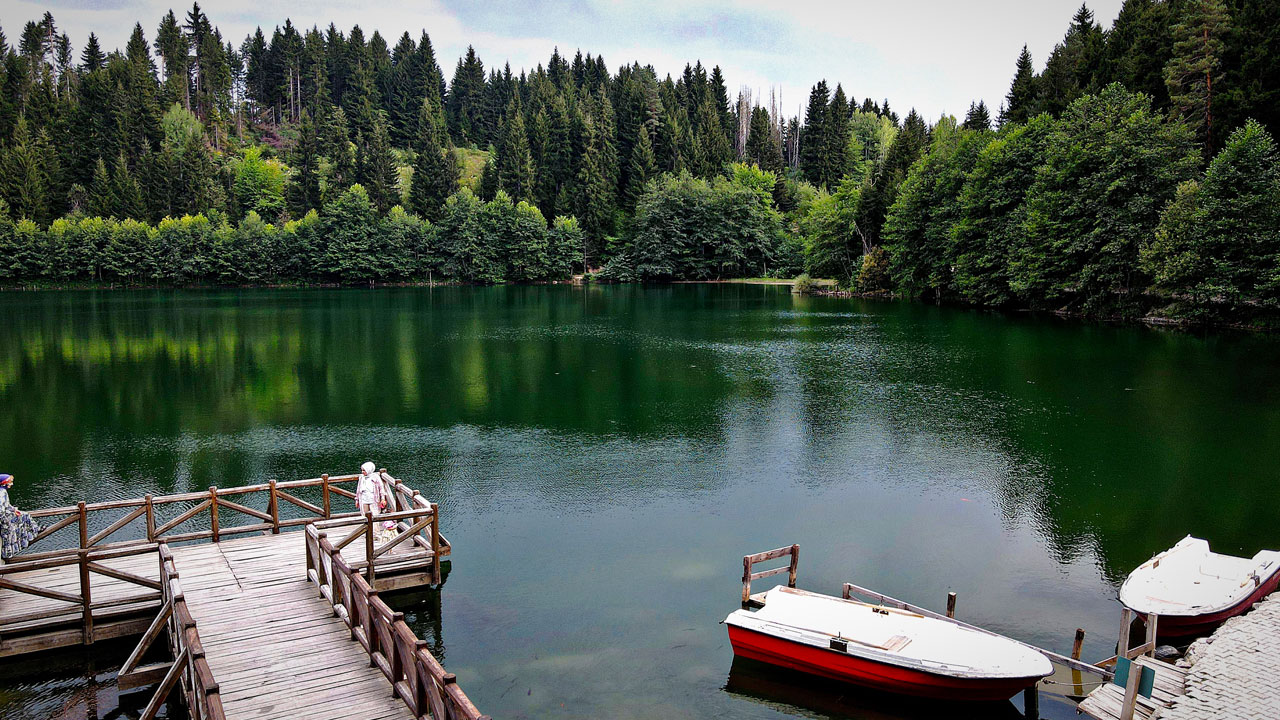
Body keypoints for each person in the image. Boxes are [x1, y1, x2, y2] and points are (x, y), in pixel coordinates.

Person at [0, 474, 40, 561]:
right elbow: (1, 509)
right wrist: (5, 518)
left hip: (6, 515)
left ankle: (33, 531)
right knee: (9, 532)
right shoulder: (2, 493)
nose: (11, 484)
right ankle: (33, 532)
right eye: (10, 482)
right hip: (5, 519)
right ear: (4, 483)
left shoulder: (3, 491)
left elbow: (7, 505)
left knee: (24, 515)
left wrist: (14, 510)